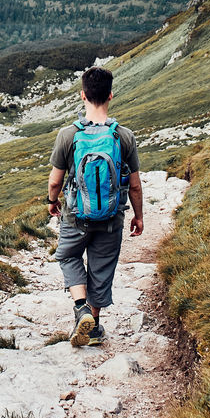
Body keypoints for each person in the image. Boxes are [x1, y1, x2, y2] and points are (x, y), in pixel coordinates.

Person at [47, 65, 143, 346]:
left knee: (67, 255)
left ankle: (80, 309)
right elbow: (135, 184)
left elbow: (55, 182)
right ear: (110, 95)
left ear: (83, 96)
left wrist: (53, 202)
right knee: (101, 268)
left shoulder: (68, 135)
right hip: (112, 217)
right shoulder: (123, 136)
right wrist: (138, 216)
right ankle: (94, 325)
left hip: (76, 216)